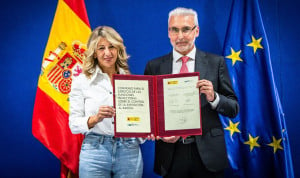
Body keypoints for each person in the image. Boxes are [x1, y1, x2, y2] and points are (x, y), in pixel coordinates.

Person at [144, 7, 239, 178]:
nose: (180, 36)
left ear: (197, 31)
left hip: (208, 153)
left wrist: (214, 97)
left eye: (186, 29)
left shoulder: (215, 63)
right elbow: (148, 112)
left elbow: (233, 108)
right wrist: (158, 132)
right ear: (168, 33)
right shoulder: (154, 66)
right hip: (170, 154)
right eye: (175, 29)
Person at [69, 26, 143, 178]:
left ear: (118, 50)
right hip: (94, 151)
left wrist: (145, 131)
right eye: (101, 48)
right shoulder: (81, 81)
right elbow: (74, 124)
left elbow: (140, 122)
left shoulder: (132, 81)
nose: (107, 53)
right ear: (94, 53)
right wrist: (95, 119)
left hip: (129, 150)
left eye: (111, 47)